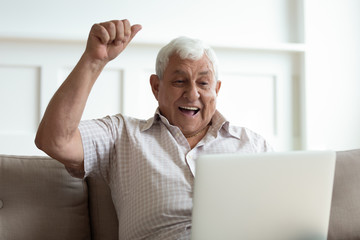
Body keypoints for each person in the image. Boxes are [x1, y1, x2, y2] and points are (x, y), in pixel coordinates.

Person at [35, 19, 272, 240]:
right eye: (179, 81)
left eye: (203, 83)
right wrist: (93, 61)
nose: (192, 93)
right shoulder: (122, 134)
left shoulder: (252, 145)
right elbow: (55, 140)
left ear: (216, 90)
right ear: (156, 87)